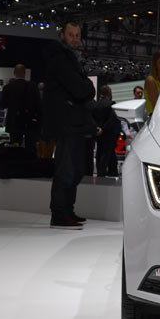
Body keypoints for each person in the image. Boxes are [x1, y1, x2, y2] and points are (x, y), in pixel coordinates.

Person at [43, 19, 97, 229]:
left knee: (74, 168)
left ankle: (67, 210)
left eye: (77, 35)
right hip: (66, 121)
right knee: (66, 169)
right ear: (62, 35)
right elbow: (80, 88)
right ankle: (59, 214)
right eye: (71, 34)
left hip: (73, 121)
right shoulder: (60, 58)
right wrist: (87, 89)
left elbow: (81, 89)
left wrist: (85, 89)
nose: (74, 38)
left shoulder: (69, 57)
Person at [0, 64, 40, 151]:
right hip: (29, 121)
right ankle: (30, 164)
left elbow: (3, 105)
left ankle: (16, 164)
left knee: (15, 147)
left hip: (14, 121)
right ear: (25, 73)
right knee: (31, 148)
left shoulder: (8, 87)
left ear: (14, 73)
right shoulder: (33, 86)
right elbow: (38, 105)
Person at [93, 85, 120, 177]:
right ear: (109, 93)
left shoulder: (96, 104)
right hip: (108, 133)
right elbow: (112, 119)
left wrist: (98, 129)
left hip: (98, 133)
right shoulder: (111, 104)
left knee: (100, 152)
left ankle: (110, 171)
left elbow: (93, 119)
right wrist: (103, 129)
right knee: (107, 153)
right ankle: (104, 172)